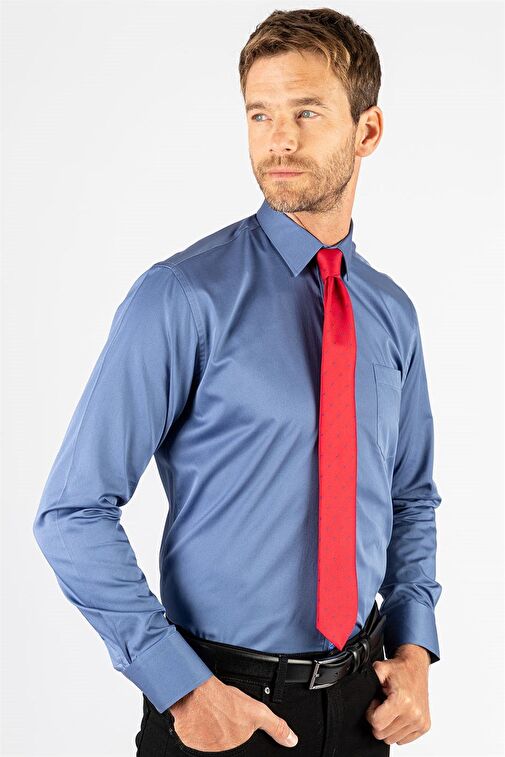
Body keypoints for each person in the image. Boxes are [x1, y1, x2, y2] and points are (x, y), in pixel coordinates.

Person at [32, 7, 442, 756]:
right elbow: (72, 512)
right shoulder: (182, 296)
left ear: (367, 131)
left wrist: (414, 649)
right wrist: (181, 686)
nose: (278, 139)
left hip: (362, 706)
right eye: (259, 114)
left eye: (306, 112)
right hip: (220, 706)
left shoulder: (391, 313)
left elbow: (409, 497)